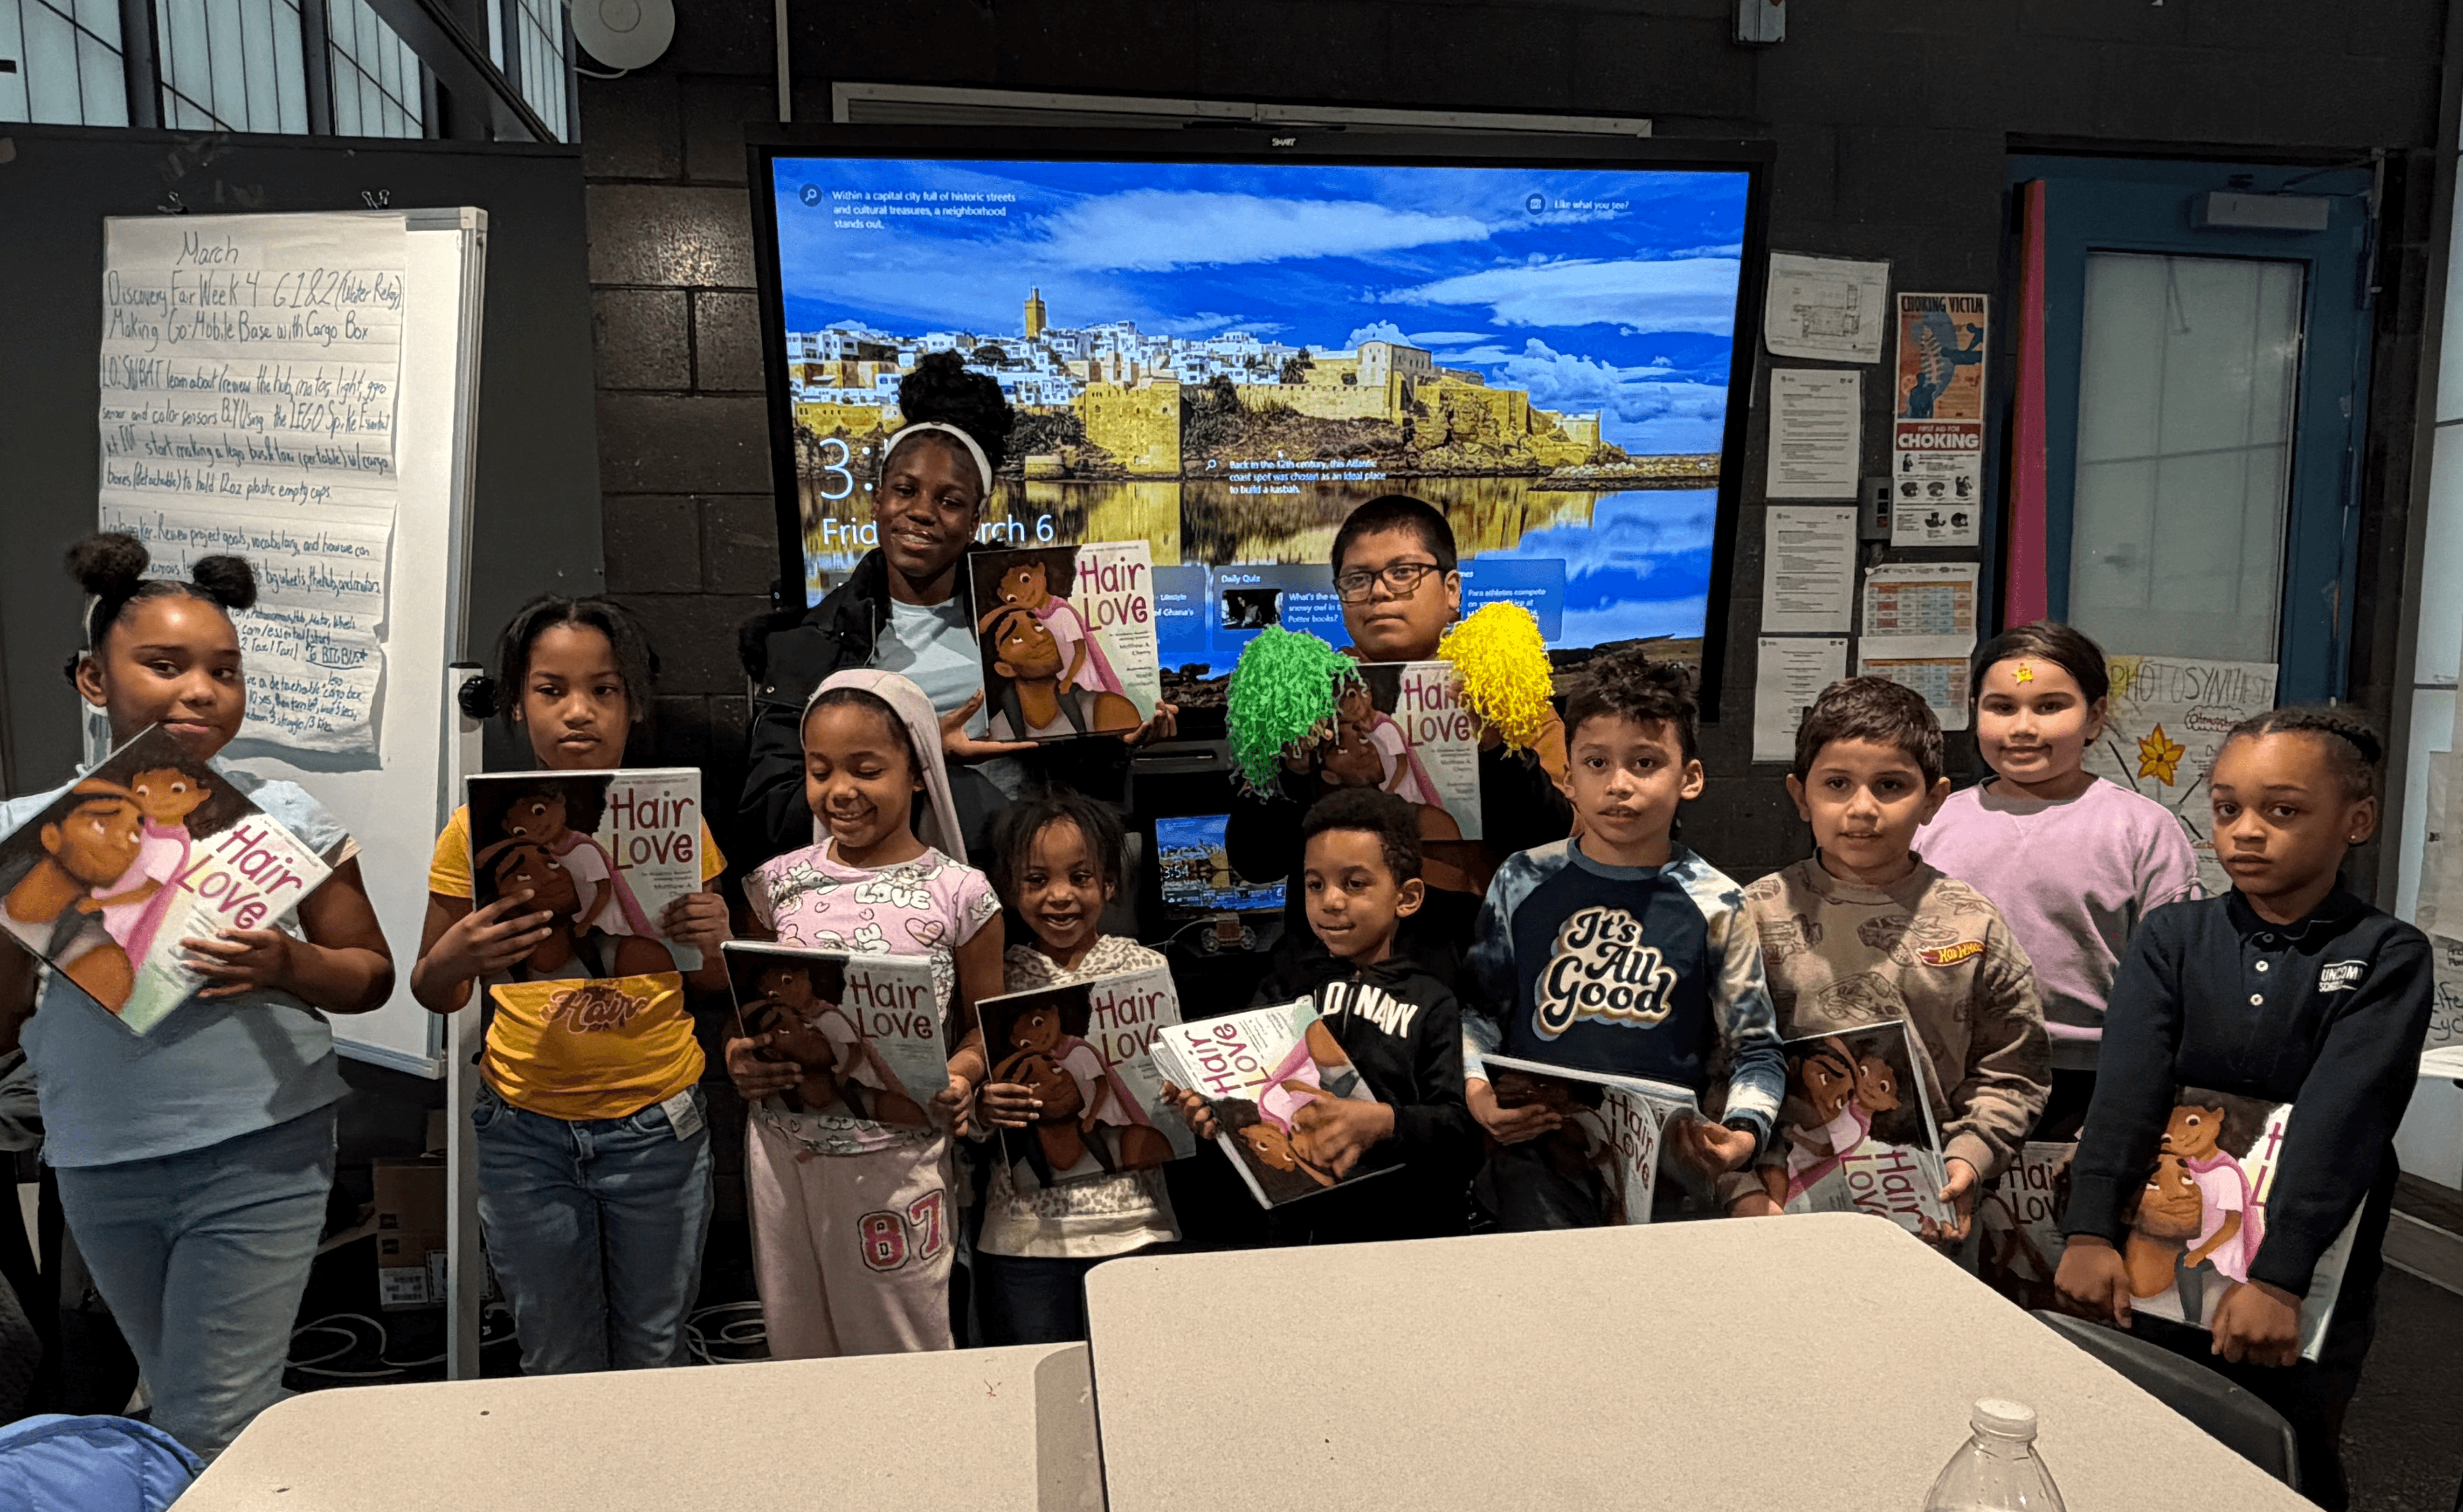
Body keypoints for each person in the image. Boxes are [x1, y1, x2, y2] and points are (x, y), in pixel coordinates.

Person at [0, 534, 394, 1458]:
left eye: (224, 669)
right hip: (101, 1153)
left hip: (262, 1140)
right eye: (165, 665)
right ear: (94, 680)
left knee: (212, 1413)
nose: (200, 691)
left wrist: (283, 965)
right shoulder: (27, 835)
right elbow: (4, 1019)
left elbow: (369, 972)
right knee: (183, 1389)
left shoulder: (284, 815)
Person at [2053, 707, 2430, 1510]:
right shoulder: (2171, 937)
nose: (2245, 831)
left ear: (2354, 820)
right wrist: (2087, 1228)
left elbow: (2346, 1115)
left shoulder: (2384, 953)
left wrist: (2280, 1276)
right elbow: (2127, 1088)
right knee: (2134, 1425)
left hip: (2303, 1259)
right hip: (2154, 1238)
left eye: (2281, 810)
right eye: (2226, 808)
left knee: (2279, 1443)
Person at [409, 596, 731, 1375]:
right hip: (527, 1133)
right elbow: (433, 987)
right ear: (517, 702)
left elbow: (716, 977)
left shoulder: (672, 820)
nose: (579, 712)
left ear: (633, 703)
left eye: (605, 689)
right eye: (551, 689)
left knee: (655, 1346)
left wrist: (718, 938)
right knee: (556, 1354)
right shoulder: (470, 830)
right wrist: (461, 952)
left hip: (659, 1124)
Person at [739, 354, 1173, 863]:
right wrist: (924, 756)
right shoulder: (808, 645)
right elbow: (771, 815)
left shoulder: (1029, 621)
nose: (922, 511)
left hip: (1015, 878)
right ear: (876, 502)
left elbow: (1078, 781)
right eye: (905, 491)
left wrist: (1121, 733)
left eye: (949, 501)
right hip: (882, 895)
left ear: (975, 520)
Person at [724, 670, 1002, 1357]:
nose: (839, 790)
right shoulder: (775, 882)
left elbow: (983, 1025)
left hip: (896, 1160)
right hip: (784, 1150)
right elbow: (747, 1010)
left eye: (866, 768)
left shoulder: (960, 892)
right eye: (819, 770)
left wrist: (963, 1073)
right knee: (798, 1343)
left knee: (903, 1346)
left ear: (916, 771)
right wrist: (738, 1054)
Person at [1460, 647, 1782, 1229]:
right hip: (1540, 1157)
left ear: (1691, 779)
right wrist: (1477, 1093)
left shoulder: (1719, 901)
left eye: (1644, 763)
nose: (1619, 785)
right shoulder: (1523, 877)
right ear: (1568, 776)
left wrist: (1742, 1134)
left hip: (1663, 1173)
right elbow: (1479, 1013)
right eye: (1597, 763)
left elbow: (1755, 1048)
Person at [1728, 677, 2050, 1243]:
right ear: (1801, 795)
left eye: (1890, 786)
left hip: (1924, 1207)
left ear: (1933, 799)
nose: (1862, 808)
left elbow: (2012, 1069)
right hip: (1775, 1202)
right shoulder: (1752, 915)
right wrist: (1742, 1184)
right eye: (1837, 784)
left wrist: (1971, 1159)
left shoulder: (1971, 925)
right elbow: (1716, 1060)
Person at [1223, 495, 1573, 992]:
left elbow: (1557, 843)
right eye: (1357, 580)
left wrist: (1494, 750)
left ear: (1452, 590)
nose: (1380, 593)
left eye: (1404, 572)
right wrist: (1293, 772)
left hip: (1468, 975)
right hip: (1325, 973)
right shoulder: (1303, 695)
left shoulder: (1509, 697)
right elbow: (1253, 861)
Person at [1918, 621, 2199, 1137]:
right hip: (1948, 1078)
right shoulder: (1930, 823)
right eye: (2001, 707)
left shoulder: (2143, 831)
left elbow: (2176, 982)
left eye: (2050, 707)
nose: (2023, 727)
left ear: (2094, 718)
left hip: (2091, 1086)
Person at [1166, 787, 1481, 1245]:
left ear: (1407, 897)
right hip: (1301, 1233)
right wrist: (1212, 1112)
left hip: (1410, 1231)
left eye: (1355, 884)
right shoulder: (1285, 986)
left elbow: (1458, 1128)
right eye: (1316, 884)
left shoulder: (1433, 1000)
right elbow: (1252, 1095)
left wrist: (1383, 1121)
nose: (1331, 901)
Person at [967, 790, 1178, 1345]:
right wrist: (985, 1106)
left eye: (1080, 878)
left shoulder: (1146, 966)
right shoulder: (998, 978)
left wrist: (1182, 1095)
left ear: (1108, 883)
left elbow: (1171, 1094)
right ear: (1010, 889)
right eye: (1037, 881)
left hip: (1135, 1226)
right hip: (1025, 1239)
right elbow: (969, 1112)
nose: (1060, 897)